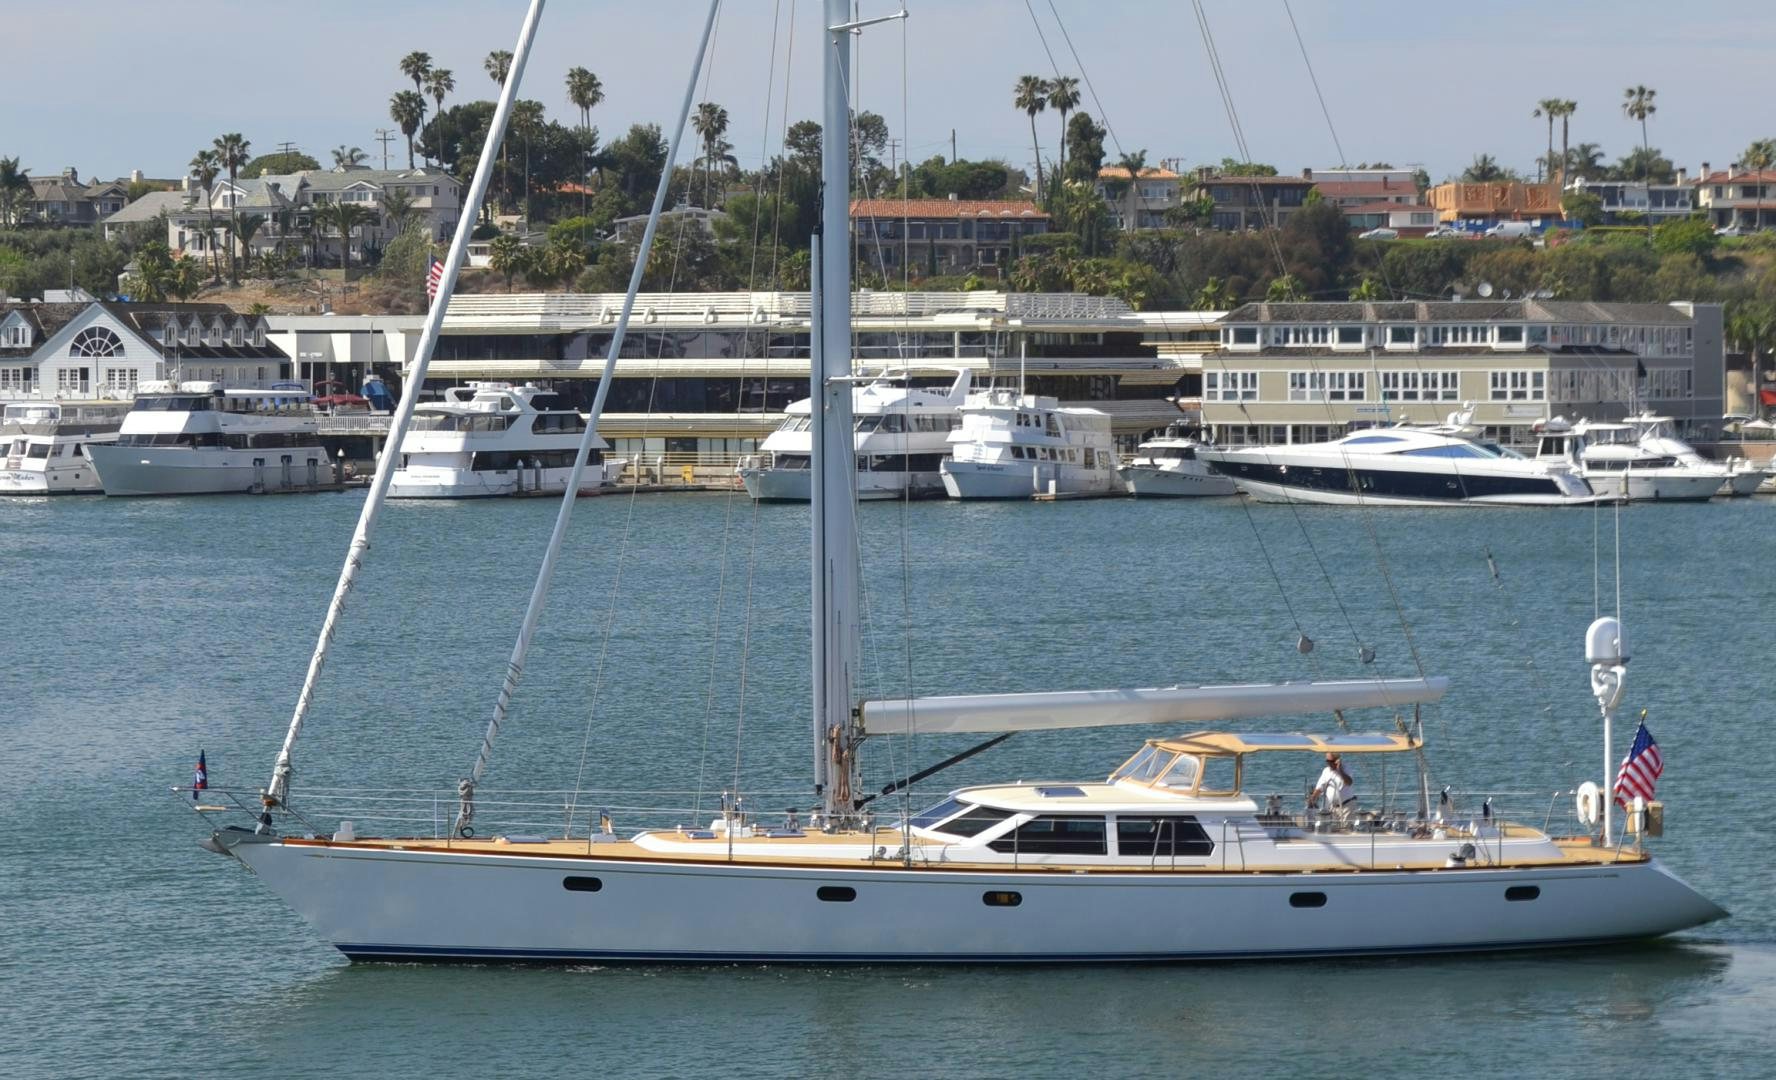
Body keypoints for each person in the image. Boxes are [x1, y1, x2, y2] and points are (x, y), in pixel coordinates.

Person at [1311, 752, 1356, 824]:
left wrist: (1340, 770)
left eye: (1331, 761)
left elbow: (1349, 782)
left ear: (1337, 760)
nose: (1328, 763)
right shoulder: (1326, 771)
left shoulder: (1346, 768)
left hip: (1346, 806)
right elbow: (1320, 787)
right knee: (1333, 830)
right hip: (1332, 807)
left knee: (1346, 830)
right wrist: (1313, 798)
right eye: (1327, 761)